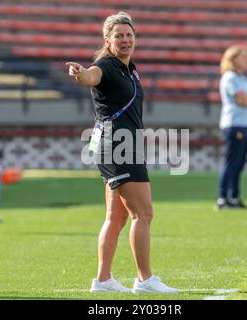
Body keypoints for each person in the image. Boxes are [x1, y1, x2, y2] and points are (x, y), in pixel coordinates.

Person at [66, 12, 177, 294]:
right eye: (119, 36)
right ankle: (145, 280)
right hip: (118, 147)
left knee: (116, 218)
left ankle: (102, 280)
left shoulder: (131, 69)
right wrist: (80, 75)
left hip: (120, 145)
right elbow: (91, 77)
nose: (125, 40)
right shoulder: (105, 65)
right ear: (108, 40)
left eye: (129, 35)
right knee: (144, 213)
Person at [216, 45, 247, 211]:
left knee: (239, 163)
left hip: (244, 125)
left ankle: (234, 197)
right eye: (243, 56)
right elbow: (246, 100)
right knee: (232, 162)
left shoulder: (242, 78)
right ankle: (223, 197)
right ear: (233, 59)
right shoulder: (230, 77)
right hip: (235, 125)